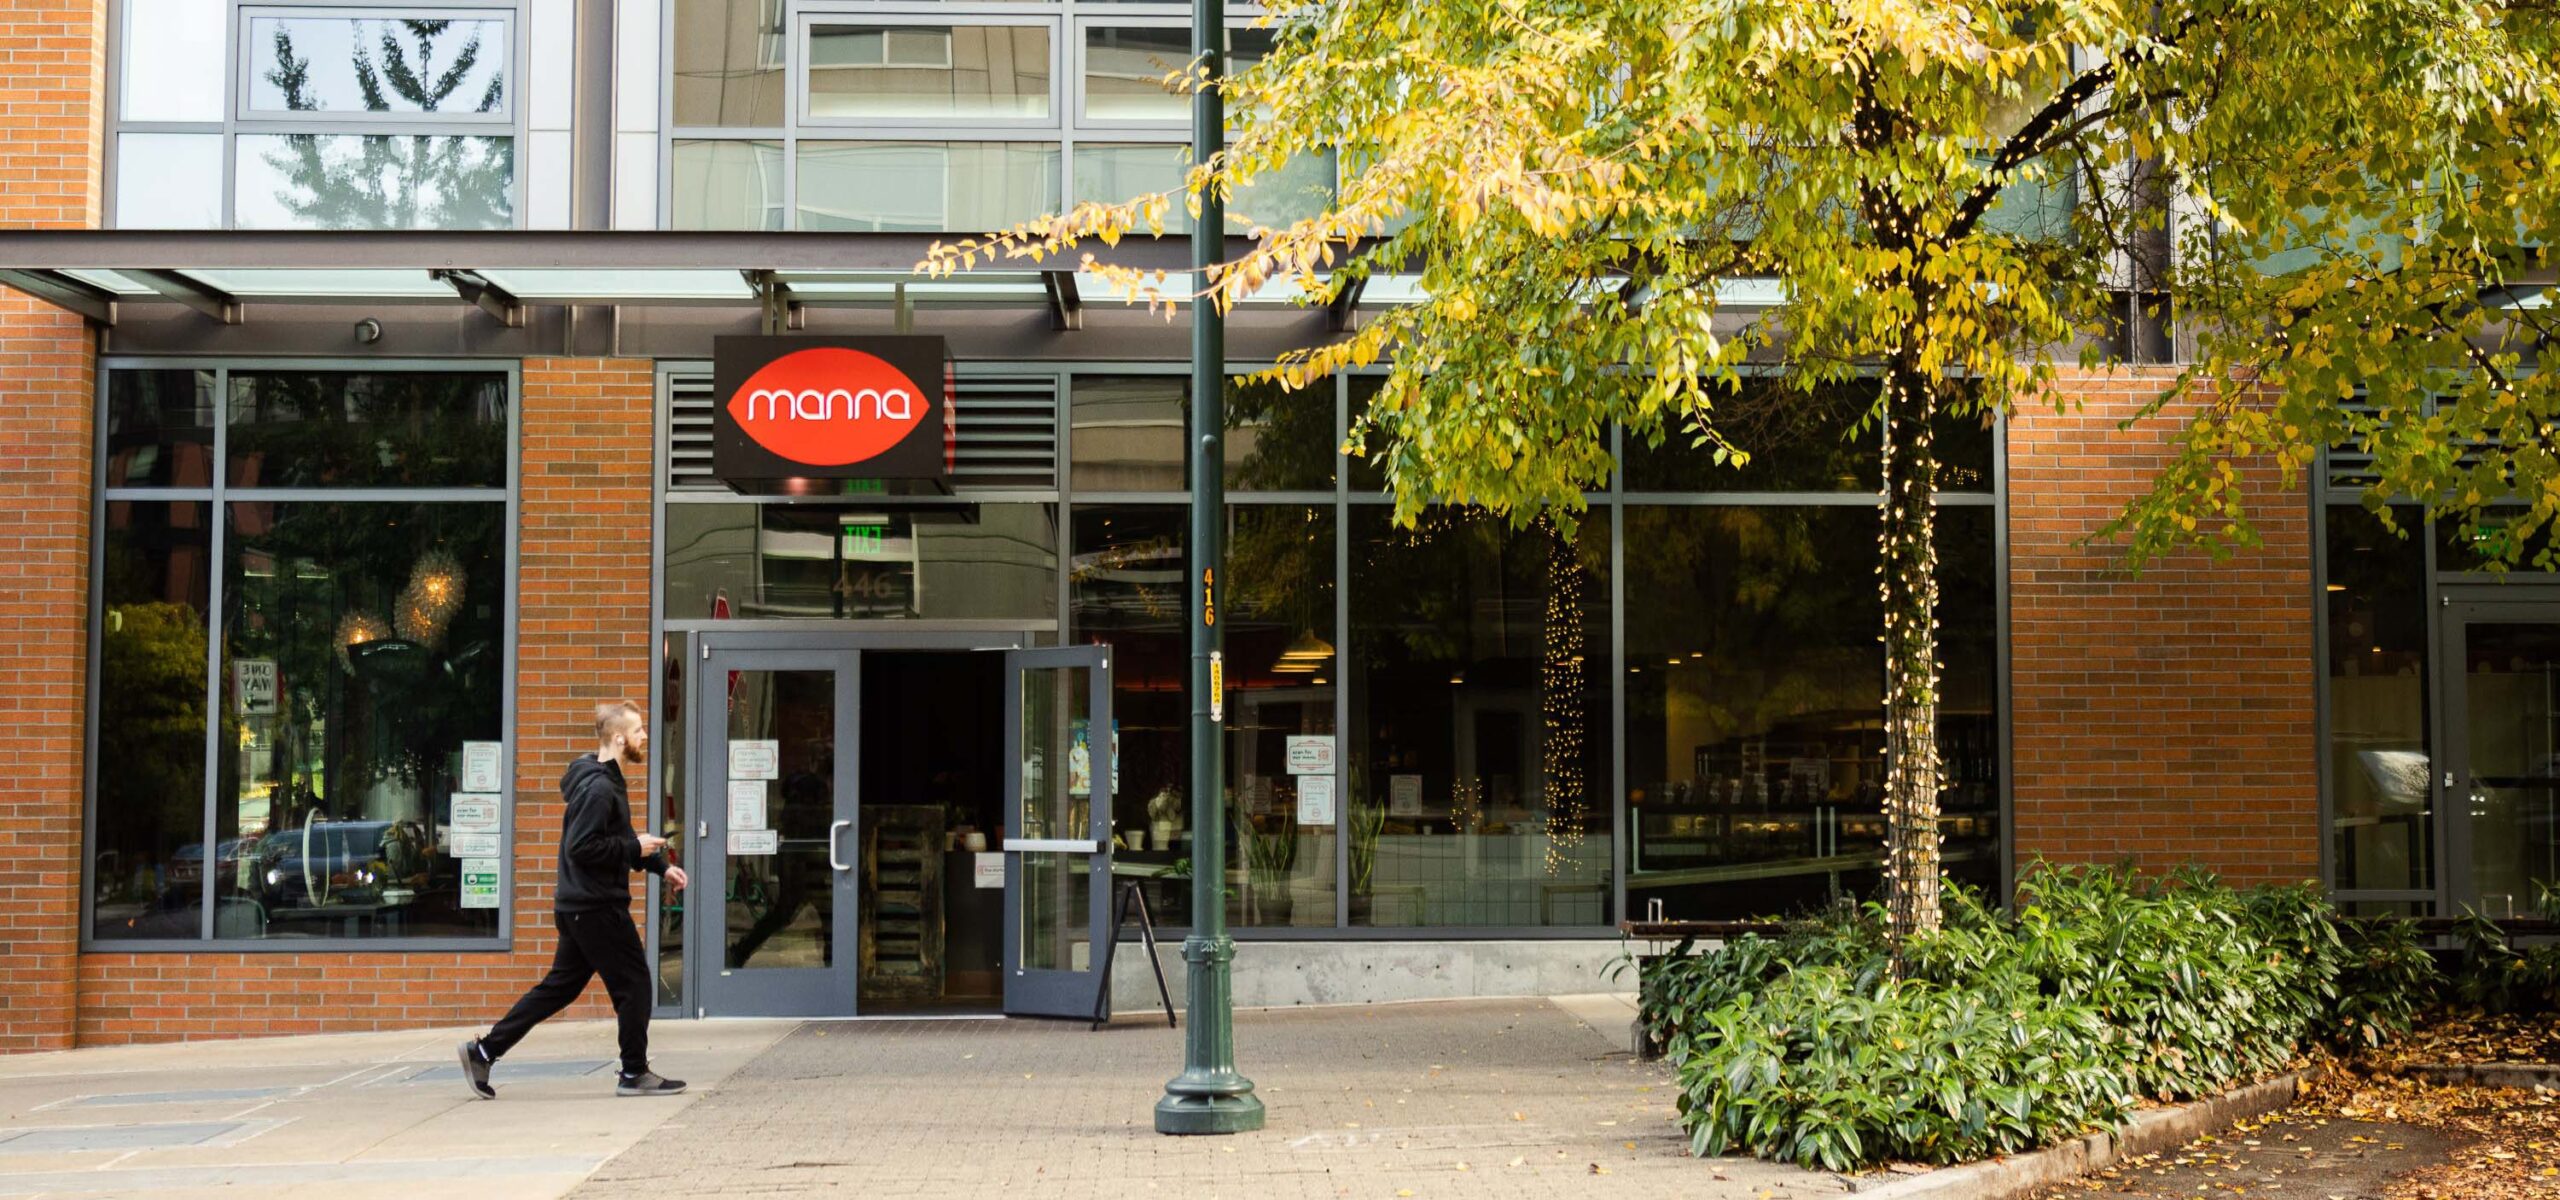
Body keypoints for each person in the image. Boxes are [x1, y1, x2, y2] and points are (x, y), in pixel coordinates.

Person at [459, 701, 689, 1099]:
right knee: (634, 985)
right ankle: (634, 1072)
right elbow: (583, 847)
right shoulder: (599, 787)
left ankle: (484, 1050)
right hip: (595, 907)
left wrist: (657, 866)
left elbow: (613, 839)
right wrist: (634, 846)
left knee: (559, 988)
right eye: (638, 731)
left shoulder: (602, 779)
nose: (644, 737)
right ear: (618, 737)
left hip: (578, 906)